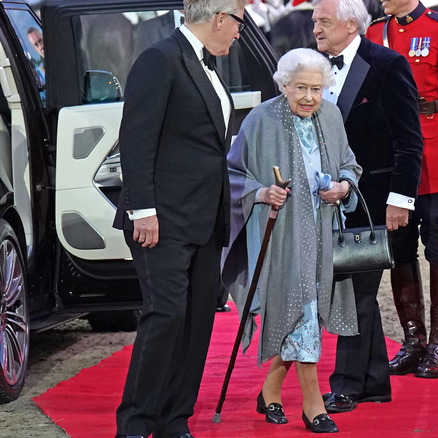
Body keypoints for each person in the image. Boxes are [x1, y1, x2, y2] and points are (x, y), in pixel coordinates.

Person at [111, 1, 246, 437]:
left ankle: (174, 420)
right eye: (239, 23)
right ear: (221, 18)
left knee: (196, 321)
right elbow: (135, 139)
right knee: (166, 315)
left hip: (205, 220)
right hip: (162, 221)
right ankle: (135, 423)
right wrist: (142, 211)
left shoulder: (207, 65)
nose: (240, 33)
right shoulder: (159, 59)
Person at [221, 47, 362, 433]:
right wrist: (262, 192)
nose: (309, 98)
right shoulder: (261, 119)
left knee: (308, 311)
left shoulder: (331, 116)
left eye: (316, 89)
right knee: (300, 309)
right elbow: (232, 174)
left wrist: (343, 186)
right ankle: (313, 405)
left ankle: (269, 392)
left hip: (323, 232)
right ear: (283, 85)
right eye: (300, 88)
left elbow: (349, 162)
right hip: (281, 235)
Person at [312, 0, 423, 413]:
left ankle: (345, 385)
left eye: (324, 21)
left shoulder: (388, 65)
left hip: (375, 204)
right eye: (314, 22)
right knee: (356, 292)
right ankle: (374, 381)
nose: (316, 29)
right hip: (327, 204)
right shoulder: (312, 67)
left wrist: (400, 200)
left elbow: (410, 142)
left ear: (352, 23)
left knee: (353, 293)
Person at [366, 0, 438, 379]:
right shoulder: (374, 31)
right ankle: (413, 342)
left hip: (436, 158)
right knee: (399, 249)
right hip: (393, 162)